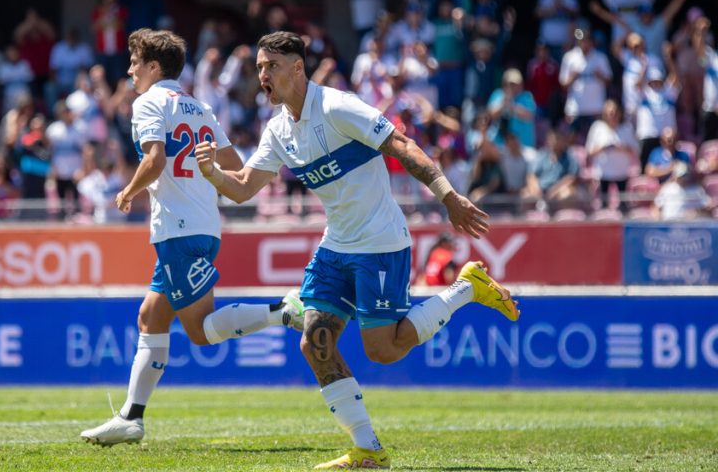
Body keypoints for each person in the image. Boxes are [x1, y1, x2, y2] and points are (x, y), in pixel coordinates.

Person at [195, 31, 520, 469]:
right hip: (337, 245)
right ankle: (368, 449)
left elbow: (402, 145)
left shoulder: (338, 107)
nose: (262, 75)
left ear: (298, 68)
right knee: (315, 344)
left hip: (381, 243)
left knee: (382, 350)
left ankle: (466, 288)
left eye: (270, 66)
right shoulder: (276, 131)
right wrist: (213, 173)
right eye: (258, 68)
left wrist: (448, 196)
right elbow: (243, 189)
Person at [79, 28, 304, 447]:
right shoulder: (199, 108)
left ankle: (282, 310)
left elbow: (154, 158)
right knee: (151, 316)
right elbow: (235, 164)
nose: (129, 70)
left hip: (178, 231)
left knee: (200, 332)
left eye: (134, 62)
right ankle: (132, 416)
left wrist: (128, 191)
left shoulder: (147, 102)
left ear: (152, 66)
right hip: (202, 226)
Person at [585, 99, 639, 210]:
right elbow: (589, 152)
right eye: (609, 113)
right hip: (602, 175)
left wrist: (621, 148)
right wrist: (602, 148)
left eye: (614, 113)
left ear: (619, 113)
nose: (612, 116)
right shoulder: (597, 128)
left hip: (622, 174)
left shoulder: (626, 128)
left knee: (624, 207)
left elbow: (636, 151)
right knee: (603, 207)